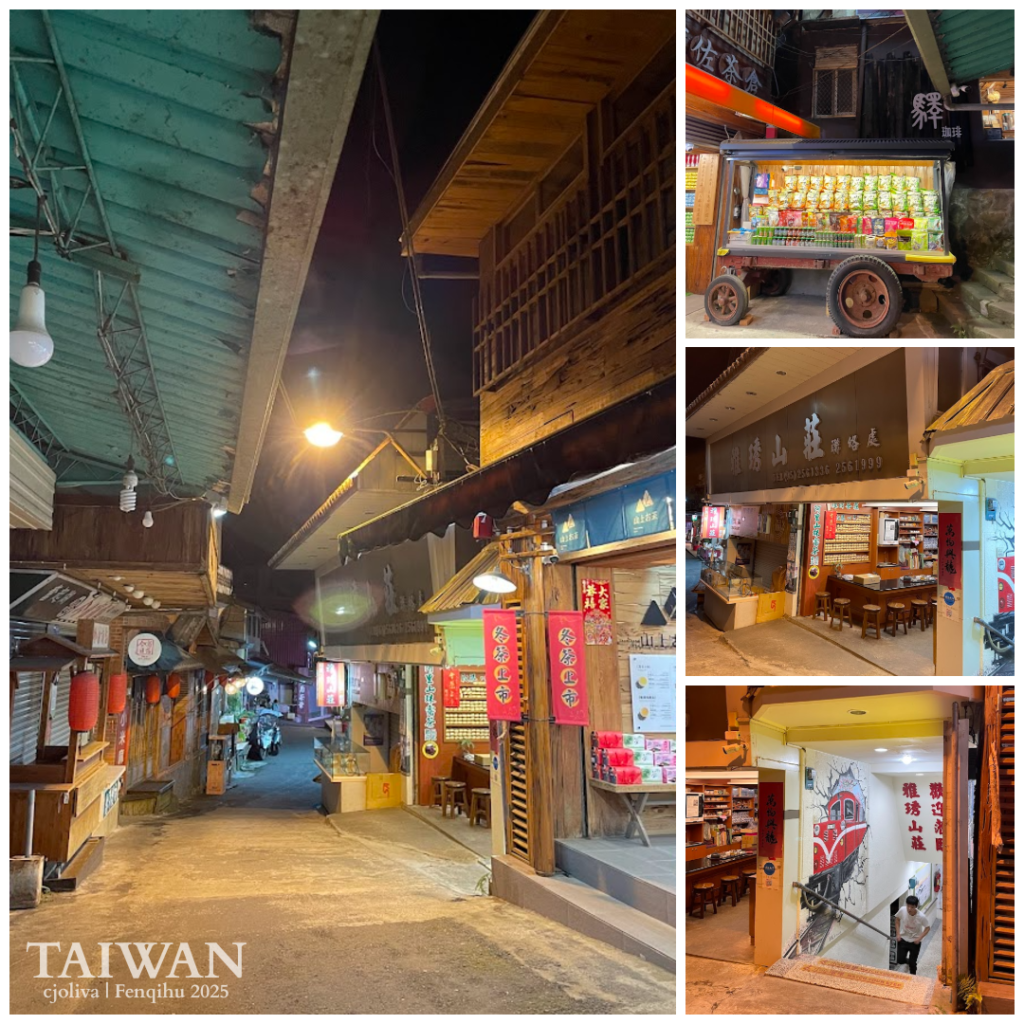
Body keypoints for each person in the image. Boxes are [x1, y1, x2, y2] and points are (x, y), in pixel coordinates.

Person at [895, 894, 930, 975]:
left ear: (916, 907)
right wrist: (898, 934)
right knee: (900, 960)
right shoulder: (902, 910)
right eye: (908, 906)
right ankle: (908, 961)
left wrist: (919, 938)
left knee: (913, 964)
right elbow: (897, 920)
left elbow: (927, 928)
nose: (909, 909)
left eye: (912, 907)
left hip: (915, 942)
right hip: (903, 939)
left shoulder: (921, 916)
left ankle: (913, 978)